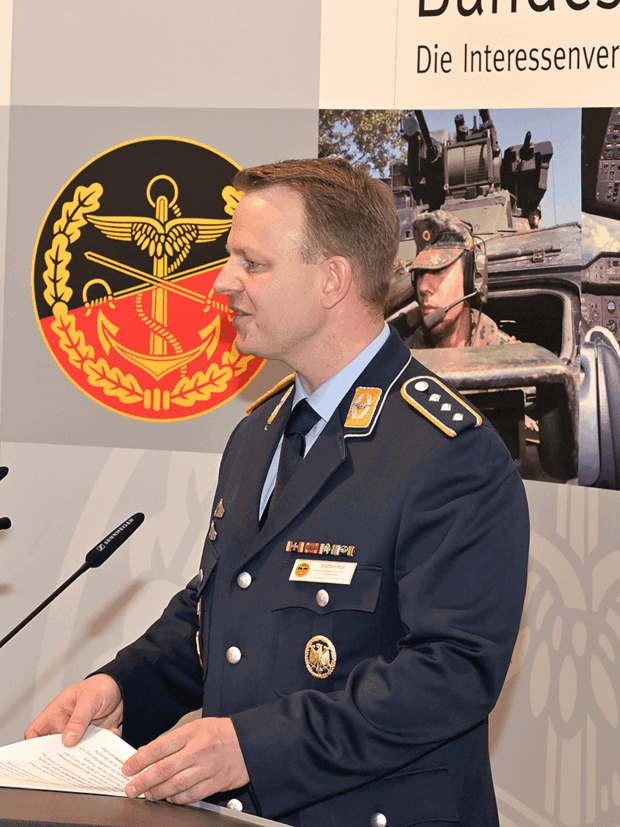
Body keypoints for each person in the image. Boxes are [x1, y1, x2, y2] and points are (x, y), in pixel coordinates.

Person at [26, 158, 529, 827]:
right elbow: (218, 609)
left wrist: (252, 748)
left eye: (250, 263)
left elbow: (452, 672)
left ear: (332, 280)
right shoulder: (258, 434)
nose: (221, 282)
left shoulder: (448, 451)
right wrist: (120, 686)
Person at [404, 210, 518, 349]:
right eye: (420, 273)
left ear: (470, 277)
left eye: (437, 270)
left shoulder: (508, 359)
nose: (423, 287)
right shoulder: (401, 359)